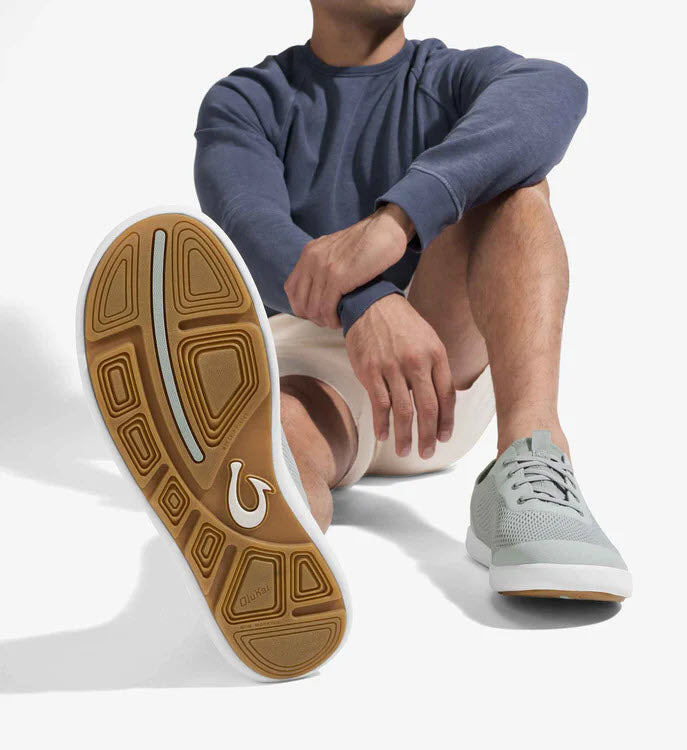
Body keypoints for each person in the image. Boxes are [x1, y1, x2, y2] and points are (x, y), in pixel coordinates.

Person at [194, 0, 632, 603]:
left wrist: (396, 222)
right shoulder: (247, 101)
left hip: (441, 368)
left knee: (515, 184)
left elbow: (555, 88)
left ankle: (531, 460)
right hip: (310, 370)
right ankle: (264, 577)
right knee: (274, 455)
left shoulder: (451, 78)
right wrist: (367, 305)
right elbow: (248, 225)